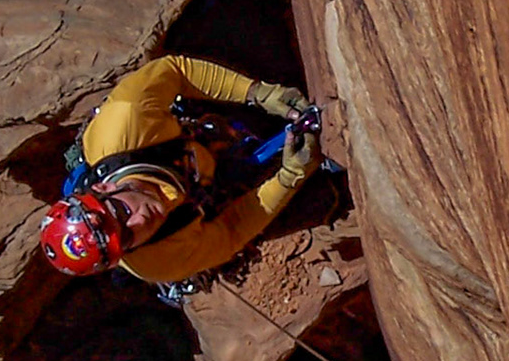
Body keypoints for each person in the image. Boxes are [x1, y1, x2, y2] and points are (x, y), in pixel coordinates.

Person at [37, 55, 321, 283]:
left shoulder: (124, 122)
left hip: (181, 137)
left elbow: (175, 71)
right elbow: (232, 231)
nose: (139, 222)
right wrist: (290, 177)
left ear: (103, 188)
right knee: (314, 198)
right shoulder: (158, 261)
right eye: (127, 238)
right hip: (208, 191)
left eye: (121, 212)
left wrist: (258, 93)